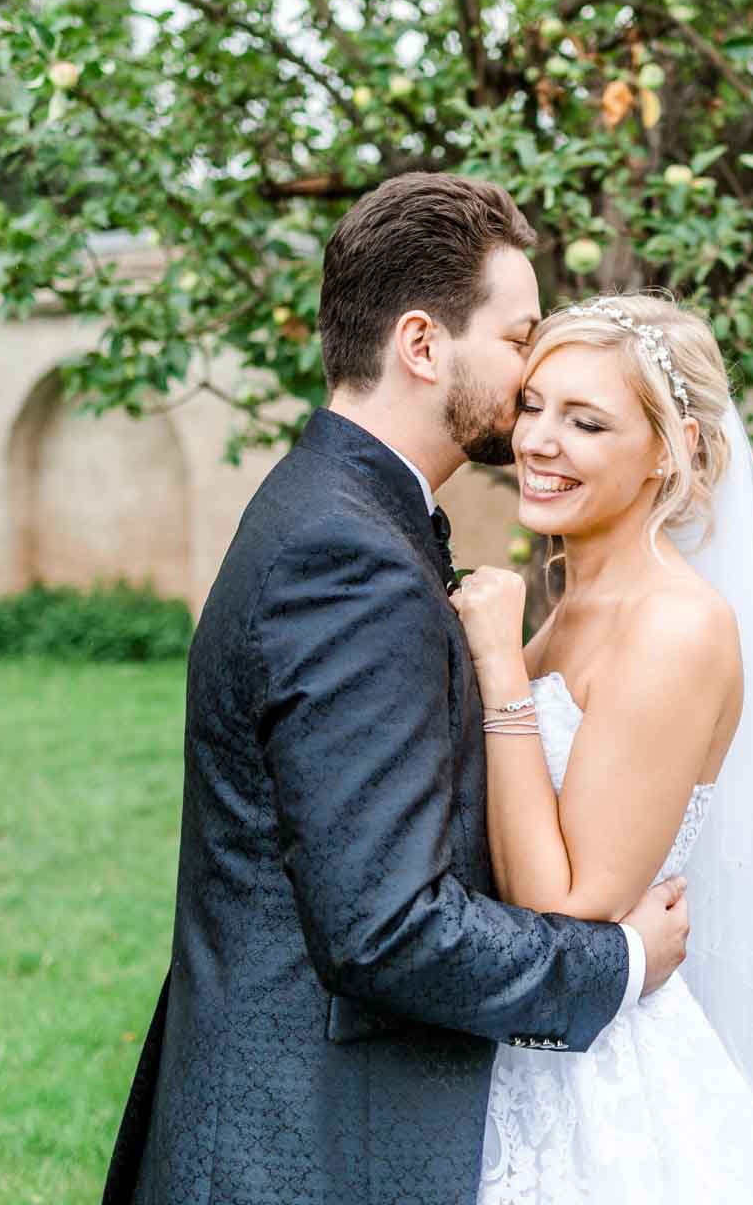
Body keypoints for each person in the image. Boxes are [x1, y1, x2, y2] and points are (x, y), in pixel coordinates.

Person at [99, 175, 694, 1205]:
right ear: (422, 345)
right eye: (517, 341)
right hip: (300, 1147)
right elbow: (387, 928)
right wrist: (619, 962)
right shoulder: (349, 554)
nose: (529, 377)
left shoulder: (341, 512)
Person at [453, 294, 753, 1203]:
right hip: (511, 1042)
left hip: (595, 1090)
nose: (538, 439)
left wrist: (498, 664)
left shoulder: (677, 628)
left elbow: (569, 904)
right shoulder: (576, 600)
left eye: (586, 421)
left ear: (671, 451)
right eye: (533, 405)